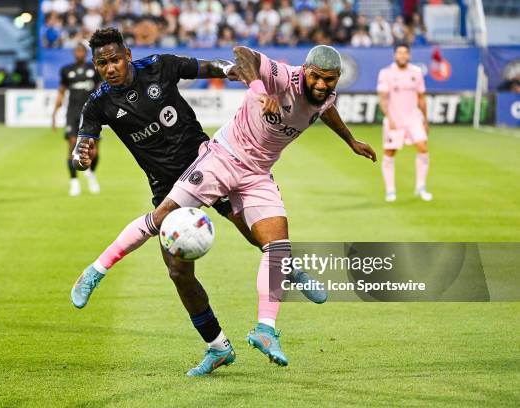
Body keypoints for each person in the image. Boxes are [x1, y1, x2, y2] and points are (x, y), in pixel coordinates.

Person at [74, 43, 376, 375]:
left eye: (329, 80)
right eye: (103, 62)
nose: (111, 67)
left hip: (237, 167)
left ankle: (270, 317)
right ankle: (212, 343)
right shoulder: (99, 102)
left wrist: (350, 140)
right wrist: (260, 91)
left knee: (269, 242)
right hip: (208, 165)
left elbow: (320, 104)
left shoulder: (159, 66)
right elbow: (244, 55)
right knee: (175, 265)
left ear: (127, 55)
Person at [377, 43, 432, 202]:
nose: (402, 55)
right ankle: (390, 190)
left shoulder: (416, 72)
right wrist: (389, 117)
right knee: (390, 153)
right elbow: (383, 99)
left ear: (409, 55)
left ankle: (421, 187)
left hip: (414, 118)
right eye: (399, 52)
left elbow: (421, 98)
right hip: (395, 119)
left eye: (405, 53)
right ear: (395, 55)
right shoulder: (386, 73)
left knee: (423, 147)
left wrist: (426, 120)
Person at [52, 43, 101, 196]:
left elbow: (102, 89)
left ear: (85, 53)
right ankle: (74, 182)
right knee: (73, 146)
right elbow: (61, 92)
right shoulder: (66, 70)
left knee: (94, 150)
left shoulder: (94, 69)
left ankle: (91, 175)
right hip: (72, 114)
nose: (79, 53)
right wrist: (54, 113)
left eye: (81, 51)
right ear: (74, 53)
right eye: (76, 51)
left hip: (91, 113)